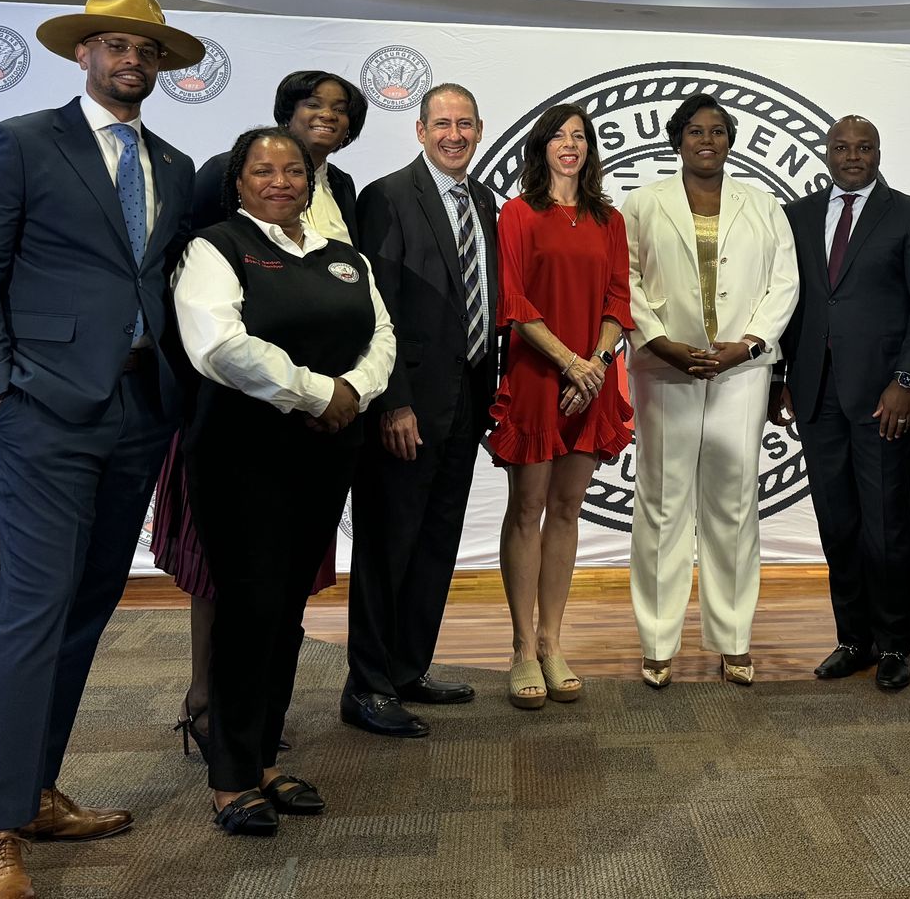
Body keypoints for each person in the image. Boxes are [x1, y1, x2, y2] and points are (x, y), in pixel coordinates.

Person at [0, 0, 201, 897]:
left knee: (87, 605)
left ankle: (36, 791)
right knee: (35, 604)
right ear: (82, 54)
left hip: (139, 409)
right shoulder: (18, 142)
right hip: (40, 410)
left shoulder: (174, 162)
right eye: (116, 45)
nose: (133, 60)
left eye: (148, 50)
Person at [174, 126, 394, 834]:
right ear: (237, 181)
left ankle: (264, 759)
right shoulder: (215, 247)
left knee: (288, 608)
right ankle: (230, 778)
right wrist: (317, 393)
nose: (280, 182)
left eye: (293, 171)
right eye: (262, 171)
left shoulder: (344, 257)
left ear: (310, 181)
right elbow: (219, 346)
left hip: (326, 452)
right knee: (248, 608)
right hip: (242, 453)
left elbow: (382, 338)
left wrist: (353, 391)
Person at [151, 70, 370, 754]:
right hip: (235, 414)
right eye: (313, 104)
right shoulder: (221, 183)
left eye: (340, 108)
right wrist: (306, 389)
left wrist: (346, 392)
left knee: (283, 578)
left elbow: (362, 303)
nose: (326, 115)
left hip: (321, 426)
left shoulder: (343, 190)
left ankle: (257, 721)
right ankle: (207, 704)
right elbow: (191, 300)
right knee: (222, 571)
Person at [626, 94, 800, 687]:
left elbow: (784, 283)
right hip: (664, 367)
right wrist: (659, 342)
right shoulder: (643, 203)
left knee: (733, 504)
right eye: (697, 131)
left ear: (731, 140)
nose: (708, 140)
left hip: (740, 370)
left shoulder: (763, 204)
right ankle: (657, 642)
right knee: (663, 503)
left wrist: (748, 345)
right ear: (677, 139)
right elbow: (623, 278)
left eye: (719, 131)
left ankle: (733, 639)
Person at [343, 83, 499, 737]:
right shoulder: (387, 196)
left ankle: (408, 668)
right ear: (420, 130)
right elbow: (376, 309)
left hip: (466, 401)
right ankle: (367, 687)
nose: (453, 135)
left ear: (479, 129)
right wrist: (393, 403)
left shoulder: (483, 200)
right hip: (405, 406)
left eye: (465, 124)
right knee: (387, 547)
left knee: (436, 543)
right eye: (442, 124)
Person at [772, 115, 910, 692]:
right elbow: (783, 302)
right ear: (827, 153)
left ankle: (894, 644)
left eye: (864, 147)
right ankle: (853, 638)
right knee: (837, 522)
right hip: (815, 392)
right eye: (842, 147)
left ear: (878, 152)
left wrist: (907, 380)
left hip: (884, 397)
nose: (852, 156)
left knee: (886, 524)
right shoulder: (796, 215)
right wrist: (779, 378)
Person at [490, 102, 634, 708]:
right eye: (558, 136)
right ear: (541, 147)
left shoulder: (609, 219)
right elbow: (515, 302)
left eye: (579, 136)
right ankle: (522, 647)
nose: (570, 145)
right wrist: (570, 363)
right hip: (537, 375)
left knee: (568, 509)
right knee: (528, 508)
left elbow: (619, 301)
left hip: (591, 381)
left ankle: (552, 641)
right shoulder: (518, 213)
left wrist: (594, 365)